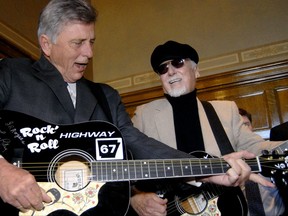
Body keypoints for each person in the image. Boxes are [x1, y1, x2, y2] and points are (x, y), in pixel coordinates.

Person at [0, 1, 275, 215]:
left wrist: (211, 169)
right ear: (46, 44)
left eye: (92, 42)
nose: (89, 53)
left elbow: (139, 143)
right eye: (78, 43)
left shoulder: (105, 96)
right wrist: (3, 171)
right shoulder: (11, 74)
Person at [130, 40, 285, 216]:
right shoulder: (144, 114)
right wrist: (135, 197)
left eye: (177, 62)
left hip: (226, 207)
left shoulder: (225, 110)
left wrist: (285, 147)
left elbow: (256, 147)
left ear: (196, 70)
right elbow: (127, 167)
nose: (170, 71)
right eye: (163, 68)